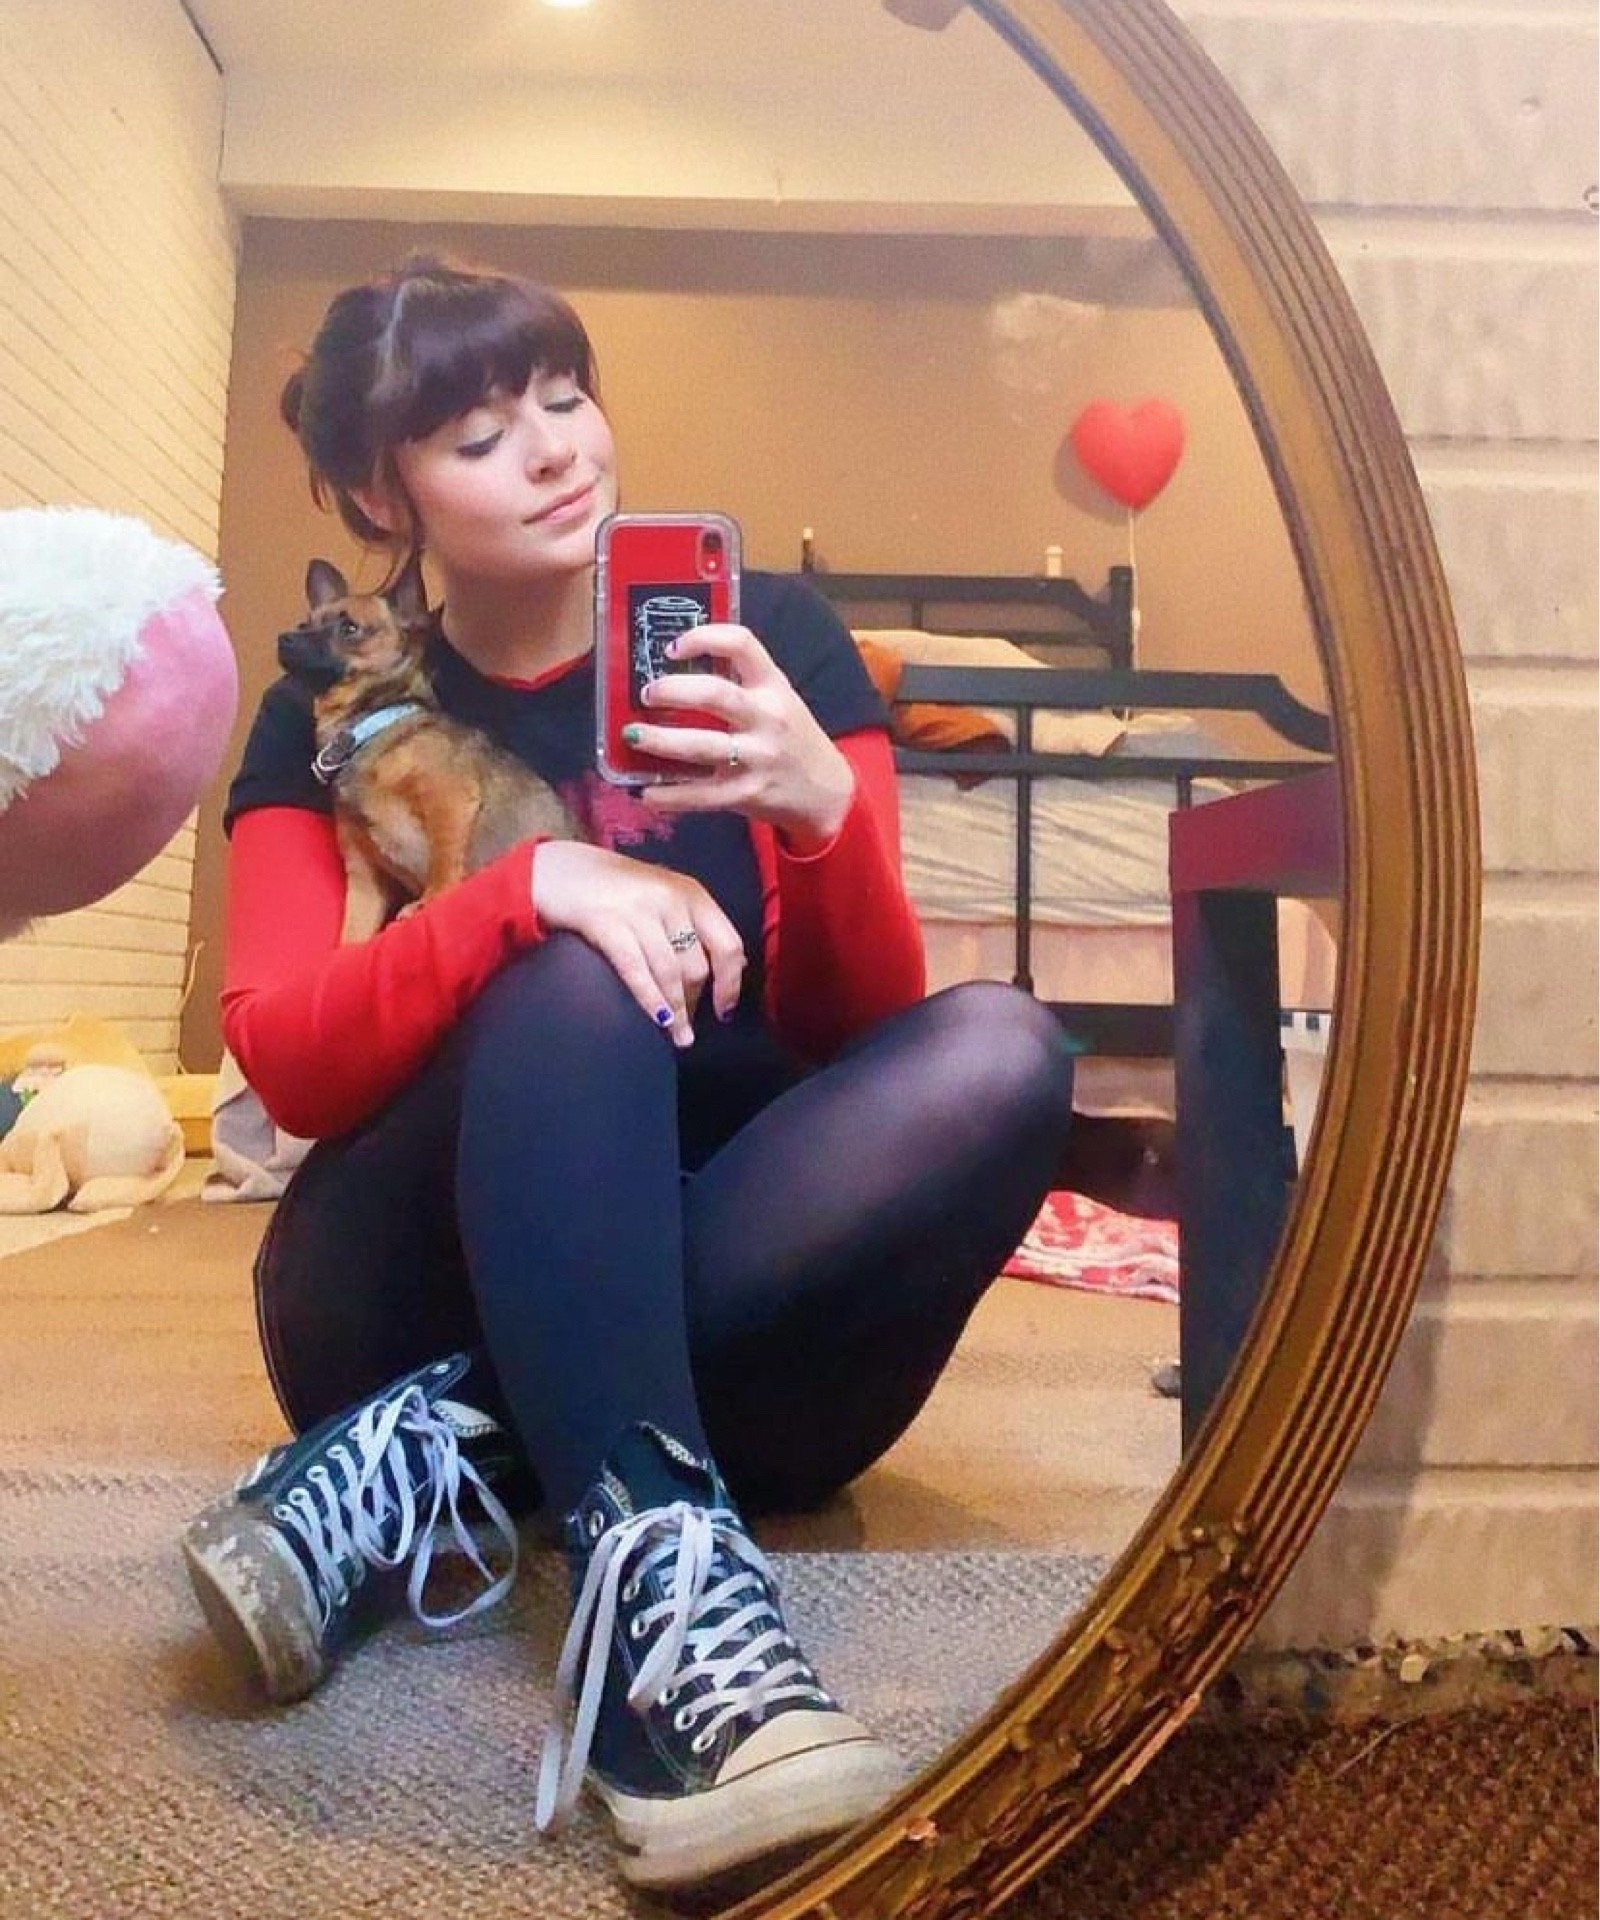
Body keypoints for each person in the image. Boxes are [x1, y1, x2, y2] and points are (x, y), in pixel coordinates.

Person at [180, 253, 1077, 1895]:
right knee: (580, 967)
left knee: (1006, 1051)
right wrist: (528, 891)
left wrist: (822, 815)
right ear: (383, 493)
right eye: (478, 436)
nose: (554, 451)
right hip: (402, 1290)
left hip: (747, 1315)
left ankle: (443, 1458)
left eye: (564, 397)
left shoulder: (768, 641)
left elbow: (859, 1033)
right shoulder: (333, 716)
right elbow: (290, 1063)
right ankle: (664, 1645)